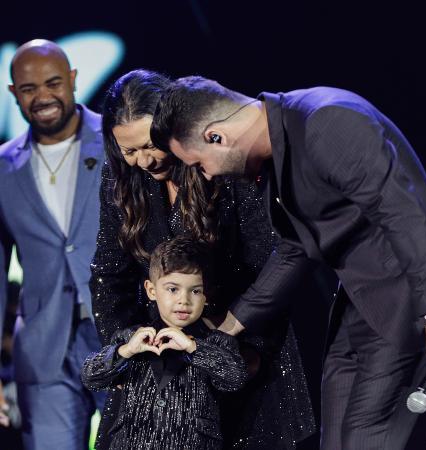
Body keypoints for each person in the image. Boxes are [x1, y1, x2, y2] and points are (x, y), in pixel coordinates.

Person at [150, 76, 426, 450]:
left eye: (197, 163)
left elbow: (404, 215)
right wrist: (225, 330)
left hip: (412, 297)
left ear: (216, 136)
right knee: (336, 438)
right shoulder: (281, 144)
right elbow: (296, 248)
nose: (205, 174)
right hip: (362, 306)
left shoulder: (326, 121)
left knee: (365, 437)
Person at [91, 69, 316, 449]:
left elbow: (272, 264)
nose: (143, 160)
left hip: (246, 347)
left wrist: (247, 348)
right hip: (164, 371)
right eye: (128, 151)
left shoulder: (221, 165)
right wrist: (126, 346)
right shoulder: (120, 183)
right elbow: (108, 275)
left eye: (150, 145)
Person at [0, 39, 105, 449]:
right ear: (13, 94)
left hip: (126, 333)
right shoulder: (4, 169)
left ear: (74, 80)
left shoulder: (119, 142)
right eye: (28, 89)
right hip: (44, 347)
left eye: (53, 83)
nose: (42, 96)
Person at [83, 236, 248, 450]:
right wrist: (126, 351)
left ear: (206, 295)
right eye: (173, 289)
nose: (184, 300)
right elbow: (91, 377)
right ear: (152, 291)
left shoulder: (214, 342)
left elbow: (235, 377)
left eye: (195, 291)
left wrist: (193, 347)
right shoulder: (132, 339)